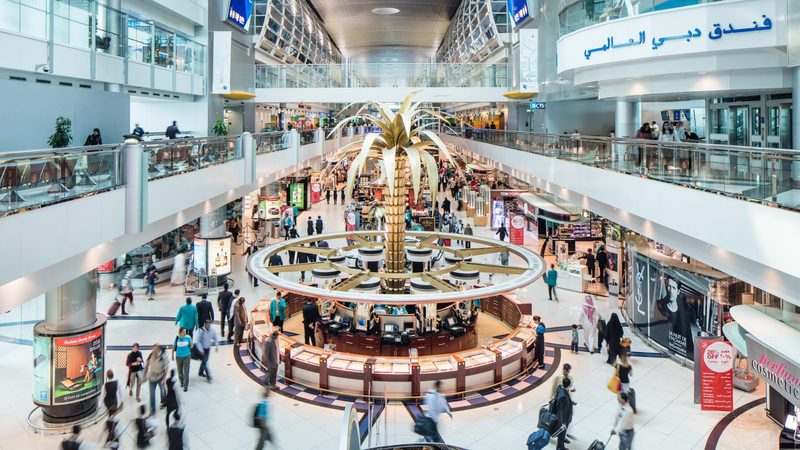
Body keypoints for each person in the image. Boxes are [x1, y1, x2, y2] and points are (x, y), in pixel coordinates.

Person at [144, 343, 169, 414]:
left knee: (163, 391)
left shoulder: (163, 356)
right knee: (152, 395)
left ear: (158, 349)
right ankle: (152, 410)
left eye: (156, 349)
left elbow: (167, 367)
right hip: (152, 378)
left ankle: (163, 402)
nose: (154, 351)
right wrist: (144, 375)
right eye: (153, 349)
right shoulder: (150, 356)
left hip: (160, 377)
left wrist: (164, 379)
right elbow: (146, 366)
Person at [551, 377, 574, 450]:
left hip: (561, 413)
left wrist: (571, 402)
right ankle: (560, 447)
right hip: (563, 418)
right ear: (569, 385)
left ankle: (561, 446)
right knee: (562, 433)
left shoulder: (560, 387)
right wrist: (563, 423)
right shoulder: (563, 397)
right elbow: (562, 411)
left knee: (562, 433)